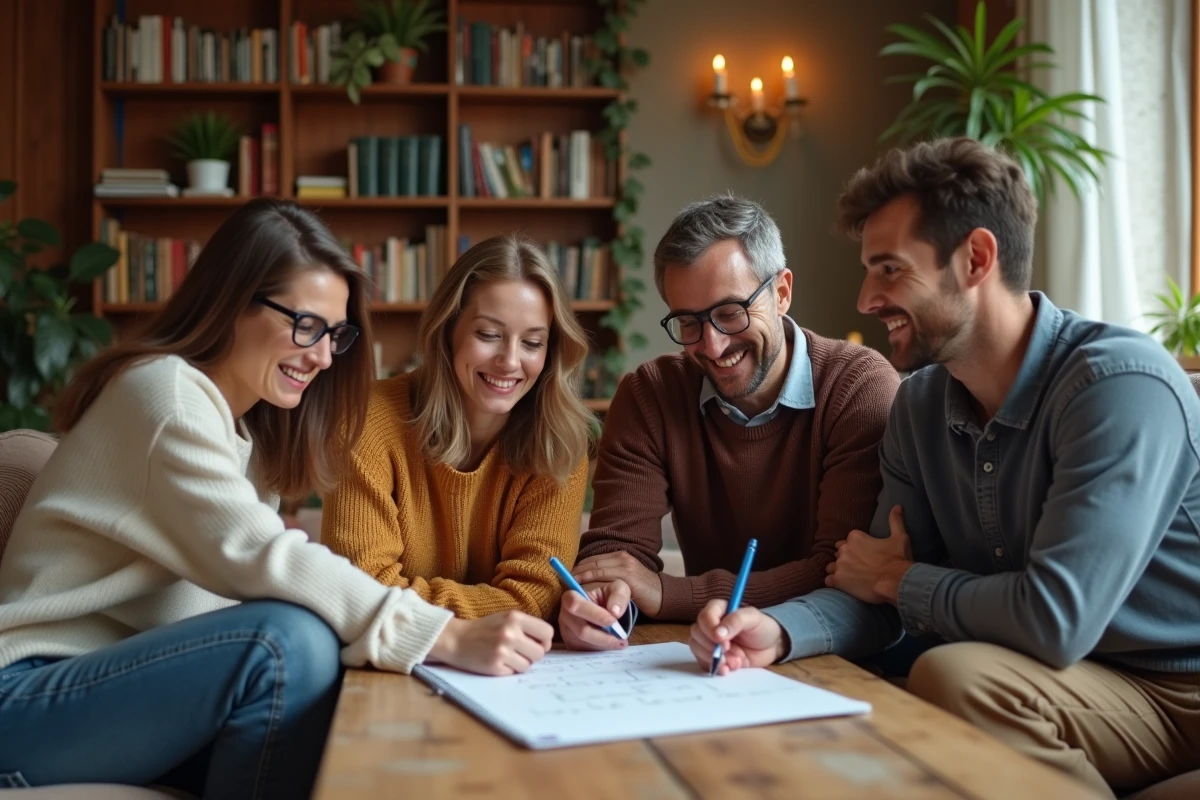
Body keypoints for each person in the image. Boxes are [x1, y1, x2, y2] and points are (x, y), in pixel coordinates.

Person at [688, 138, 1200, 798]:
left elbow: (1053, 621)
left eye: (890, 270)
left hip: (1180, 684)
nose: (866, 299)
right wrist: (780, 632)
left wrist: (901, 578)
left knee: (950, 676)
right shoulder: (921, 406)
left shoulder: (1119, 388)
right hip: (1069, 681)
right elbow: (870, 597)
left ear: (976, 259)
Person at [0, 199, 554, 798]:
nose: (320, 355)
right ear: (234, 301)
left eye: (334, 334)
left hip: (119, 691)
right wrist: (442, 635)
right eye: (305, 324)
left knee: (348, 729)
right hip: (28, 702)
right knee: (286, 641)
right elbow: (264, 558)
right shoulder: (165, 396)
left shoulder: (247, 428)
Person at [558, 194, 900, 650]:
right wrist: (604, 601)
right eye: (689, 323)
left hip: (833, 651)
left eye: (730, 313)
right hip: (712, 652)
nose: (713, 346)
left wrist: (670, 593)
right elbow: (617, 556)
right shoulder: (649, 395)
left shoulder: (858, 387)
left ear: (782, 292)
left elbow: (843, 570)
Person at [321, 234, 593, 621]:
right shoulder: (366, 420)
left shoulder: (559, 442)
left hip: (510, 667)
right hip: (384, 666)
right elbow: (358, 589)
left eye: (533, 342)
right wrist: (482, 619)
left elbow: (536, 595)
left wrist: (407, 603)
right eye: (489, 335)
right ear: (447, 330)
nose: (510, 361)